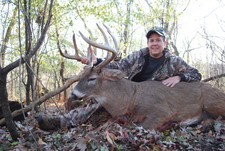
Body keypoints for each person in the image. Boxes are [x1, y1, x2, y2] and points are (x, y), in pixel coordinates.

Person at [38, 26, 202, 130]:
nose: (154, 43)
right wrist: (97, 62)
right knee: (98, 100)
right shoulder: (139, 56)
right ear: (148, 43)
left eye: (158, 40)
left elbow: (196, 74)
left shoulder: (173, 61)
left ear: (164, 43)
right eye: (151, 40)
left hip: (153, 97)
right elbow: (118, 67)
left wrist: (180, 77)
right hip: (128, 92)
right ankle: (60, 121)